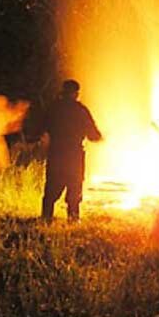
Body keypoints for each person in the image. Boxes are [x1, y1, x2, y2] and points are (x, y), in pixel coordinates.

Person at [40, 79, 103, 222]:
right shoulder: (80, 110)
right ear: (76, 94)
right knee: (74, 187)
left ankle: (45, 218)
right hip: (74, 155)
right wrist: (100, 137)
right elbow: (93, 135)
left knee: (51, 188)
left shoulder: (53, 109)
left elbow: (41, 128)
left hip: (56, 153)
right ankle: (73, 220)